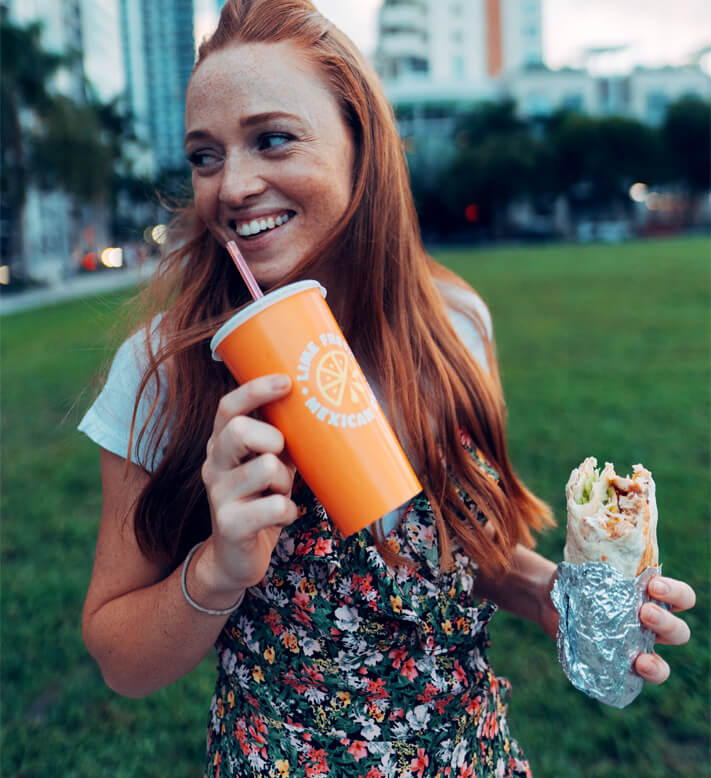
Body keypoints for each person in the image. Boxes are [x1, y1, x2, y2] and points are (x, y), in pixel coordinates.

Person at [78, 1, 696, 776]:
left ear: (359, 146)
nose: (232, 186)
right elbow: (120, 662)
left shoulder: (455, 324)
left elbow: (452, 547)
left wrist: (545, 592)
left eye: (272, 139)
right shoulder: (162, 369)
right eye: (205, 156)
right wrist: (218, 566)